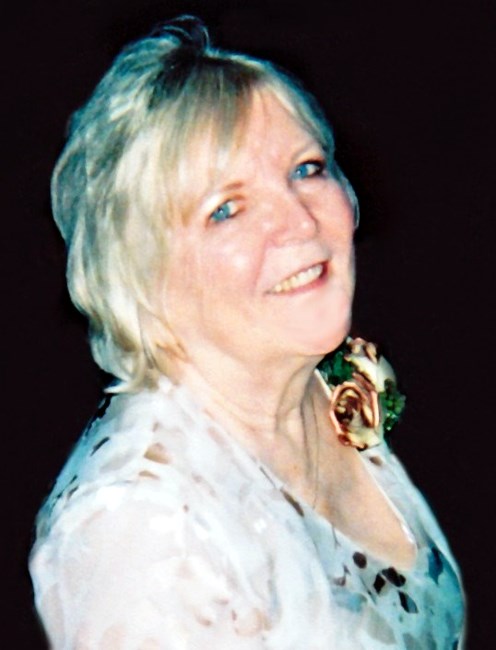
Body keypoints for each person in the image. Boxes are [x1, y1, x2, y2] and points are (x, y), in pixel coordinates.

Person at [29, 16, 465, 649]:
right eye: (226, 209)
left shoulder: (325, 386)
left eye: (306, 169)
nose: (300, 221)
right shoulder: (142, 534)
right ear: (142, 273)